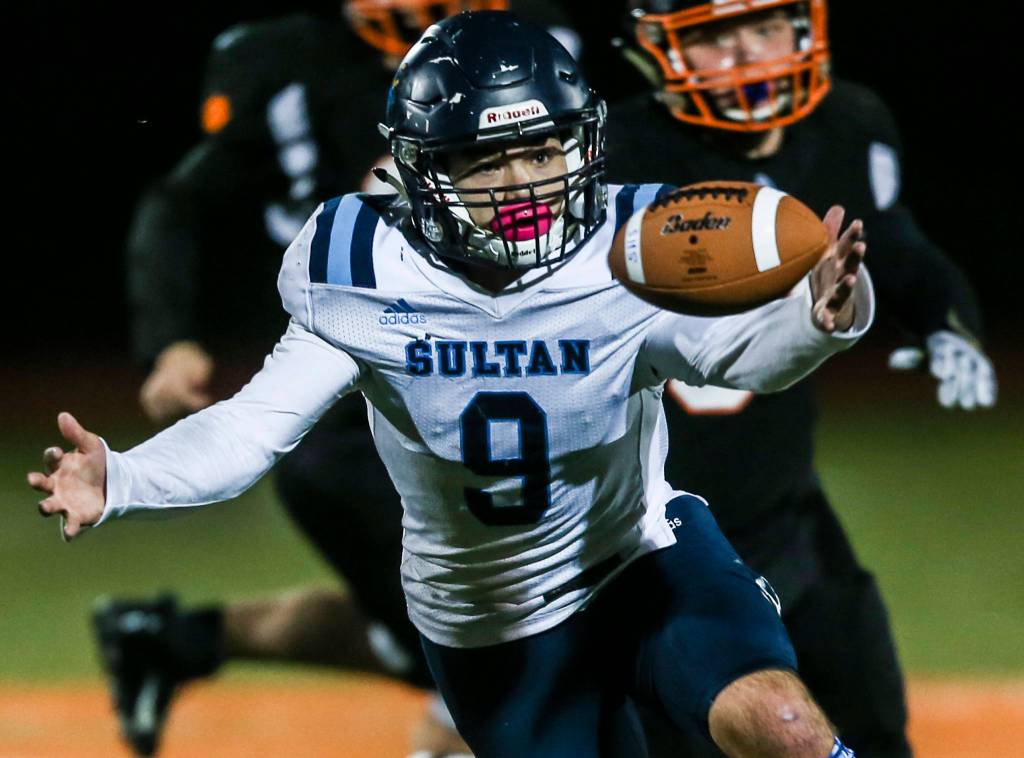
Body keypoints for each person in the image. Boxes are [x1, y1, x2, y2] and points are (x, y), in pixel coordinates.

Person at [31, 11, 871, 758]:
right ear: (422, 172)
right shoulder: (359, 270)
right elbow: (253, 427)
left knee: (781, 725)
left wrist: (817, 319)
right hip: (488, 618)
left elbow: (734, 357)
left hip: (640, 554)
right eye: (489, 161)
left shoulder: (631, 245)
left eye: (544, 149)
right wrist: (129, 476)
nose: (525, 187)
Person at [102, 2, 583, 756]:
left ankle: (173, 639)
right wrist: (169, 342)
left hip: (506, 368)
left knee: (501, 636)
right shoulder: (290, 63)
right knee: (499, 657)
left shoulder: (526, 45)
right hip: (359, 399)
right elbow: (182, 204)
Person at [605, 1, 998, 756]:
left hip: (787, 510)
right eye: (715, 37)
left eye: (765, 26)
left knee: (873, 723)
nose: (748, 53)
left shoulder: (847, 123)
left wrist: (948, 320)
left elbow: (897, 244)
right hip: (652, 530)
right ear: (659, 48)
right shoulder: (614, 156)